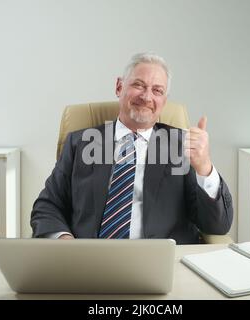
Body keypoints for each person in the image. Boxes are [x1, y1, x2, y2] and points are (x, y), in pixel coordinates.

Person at [30, 53, 233, 244]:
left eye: (157, 90)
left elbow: (217, 225)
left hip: (161, 263)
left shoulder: (182, 146)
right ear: (119, 87)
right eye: (138, 85)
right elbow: (47, 206)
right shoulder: (80, 143)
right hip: (90, 262)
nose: (146, 97)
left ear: (164, 101)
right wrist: (65, 241)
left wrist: (204, 167)